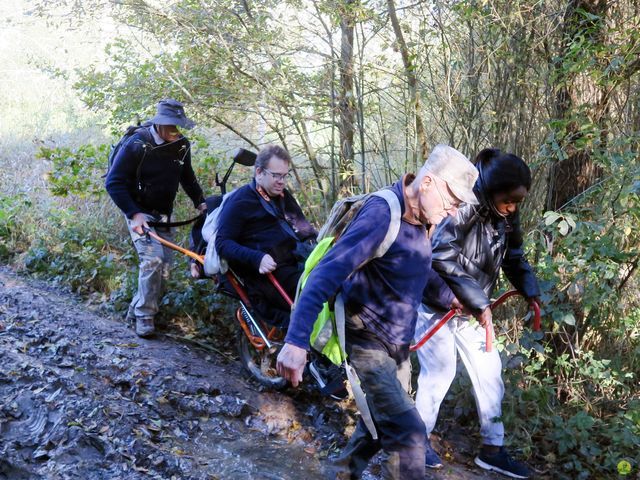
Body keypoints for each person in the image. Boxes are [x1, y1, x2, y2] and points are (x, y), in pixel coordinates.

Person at [276, 144, 479, 480]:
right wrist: (296, 342)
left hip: (396, 343)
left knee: (377, 425)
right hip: (367, 339)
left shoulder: (421, 218)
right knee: (410, 433)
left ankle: (341, 474)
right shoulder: (382, 214)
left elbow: (416, 266)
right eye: (452, 200)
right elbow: (326, 274)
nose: (453, 211)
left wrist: (449, 297)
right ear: (427, 182)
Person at [415, 148, 540, 479]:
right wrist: (470, 299)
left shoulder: (506, 214)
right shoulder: (463, 205)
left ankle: (493, 450)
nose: (513, 208)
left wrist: (530, 289)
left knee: (490, 374)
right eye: (509, 200)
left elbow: (514, 255)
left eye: (517, 202)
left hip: (474, 311)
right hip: (436, 305)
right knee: (438, 375)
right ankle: (415, 443)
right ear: (493, 189)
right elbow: (439, 255)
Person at [106, 99, 206, 338]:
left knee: (165, 267)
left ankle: (135, 309)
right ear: (159, 124)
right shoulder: (137, 145)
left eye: (178, 126)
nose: (175, 131)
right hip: (138, 212)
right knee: (153, 259)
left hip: (164, 215)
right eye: (171, 126)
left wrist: (200, 201)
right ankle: (145, 315)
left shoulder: (182, 145)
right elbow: (113, 182)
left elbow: (187, 177)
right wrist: (134, 214)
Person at [215, 145, 317, 330]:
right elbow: (222, 244)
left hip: (295, 261)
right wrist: (257, 258)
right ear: (259, 172)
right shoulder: (240, 201)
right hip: (269, 274)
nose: (281, 182)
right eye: (276, 175)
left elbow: (304, 229)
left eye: (285, 176)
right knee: (315, 295)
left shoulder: (283, 196)